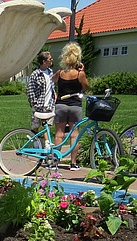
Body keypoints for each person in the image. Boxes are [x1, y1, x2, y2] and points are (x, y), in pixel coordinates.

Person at [52, 42, 89, 170]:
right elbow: (86, 86)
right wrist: (82, 70)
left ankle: (54, 161)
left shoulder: (60, 73)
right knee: (74, 134)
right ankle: (73, 163)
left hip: (61, 105)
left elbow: (52, 81)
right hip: (75, 105)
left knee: (59, 134)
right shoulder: (79, 74)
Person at [26, 51, 56, 131]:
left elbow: (51, 86)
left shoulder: (50, 72)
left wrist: (54, 95)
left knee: (46, 126)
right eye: (50, 59)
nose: (52, 60)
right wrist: (34, 103)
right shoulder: (35, 74)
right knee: (35, 126)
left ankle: (45, 142)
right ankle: (35, 142)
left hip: (49, 104)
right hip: (39, 104)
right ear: (44, 61)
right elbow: (30, 89)